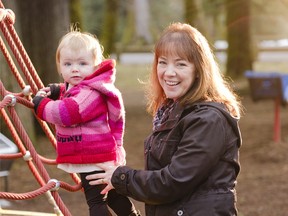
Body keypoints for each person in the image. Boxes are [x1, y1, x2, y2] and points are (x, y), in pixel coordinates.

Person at [86, 22, 243, 216]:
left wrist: (122, 178)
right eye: (163, 62)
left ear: (199, 71)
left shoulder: (208, 119)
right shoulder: (172, 111)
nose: (169, 72)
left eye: (181, 64)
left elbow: (174, 181)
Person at [32, 28, 140, 216]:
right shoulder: (83, 86)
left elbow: (66, 113)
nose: (74, 69)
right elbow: (71, 90)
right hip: (98, 154)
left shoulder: (90, 93)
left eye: (82, 63)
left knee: (96, 201)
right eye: (67, 64)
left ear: (95, 67)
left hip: (92, 156)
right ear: (59, 66)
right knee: (112, 194)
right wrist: (57, 90)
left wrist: (41, 105)